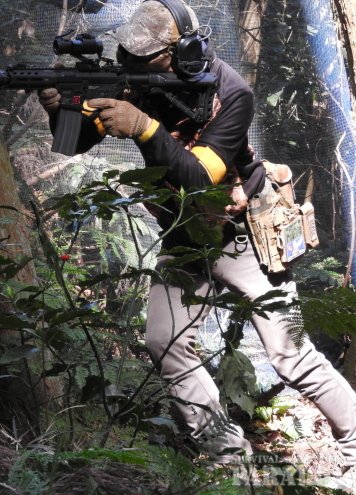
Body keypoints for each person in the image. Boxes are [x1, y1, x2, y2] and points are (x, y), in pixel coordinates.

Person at [38, 0, 356, 486]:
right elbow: (74, 143)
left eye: (147, 60)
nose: (133, 68)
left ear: (184, 50)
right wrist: (62, 109)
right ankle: (228, 458)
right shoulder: (135, 78)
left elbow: (199, 177)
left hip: (245, 233)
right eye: (129, 59)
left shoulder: (232, 92)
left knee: (289, 352)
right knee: (163, 342)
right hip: (186, 233)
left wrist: (143, 126)